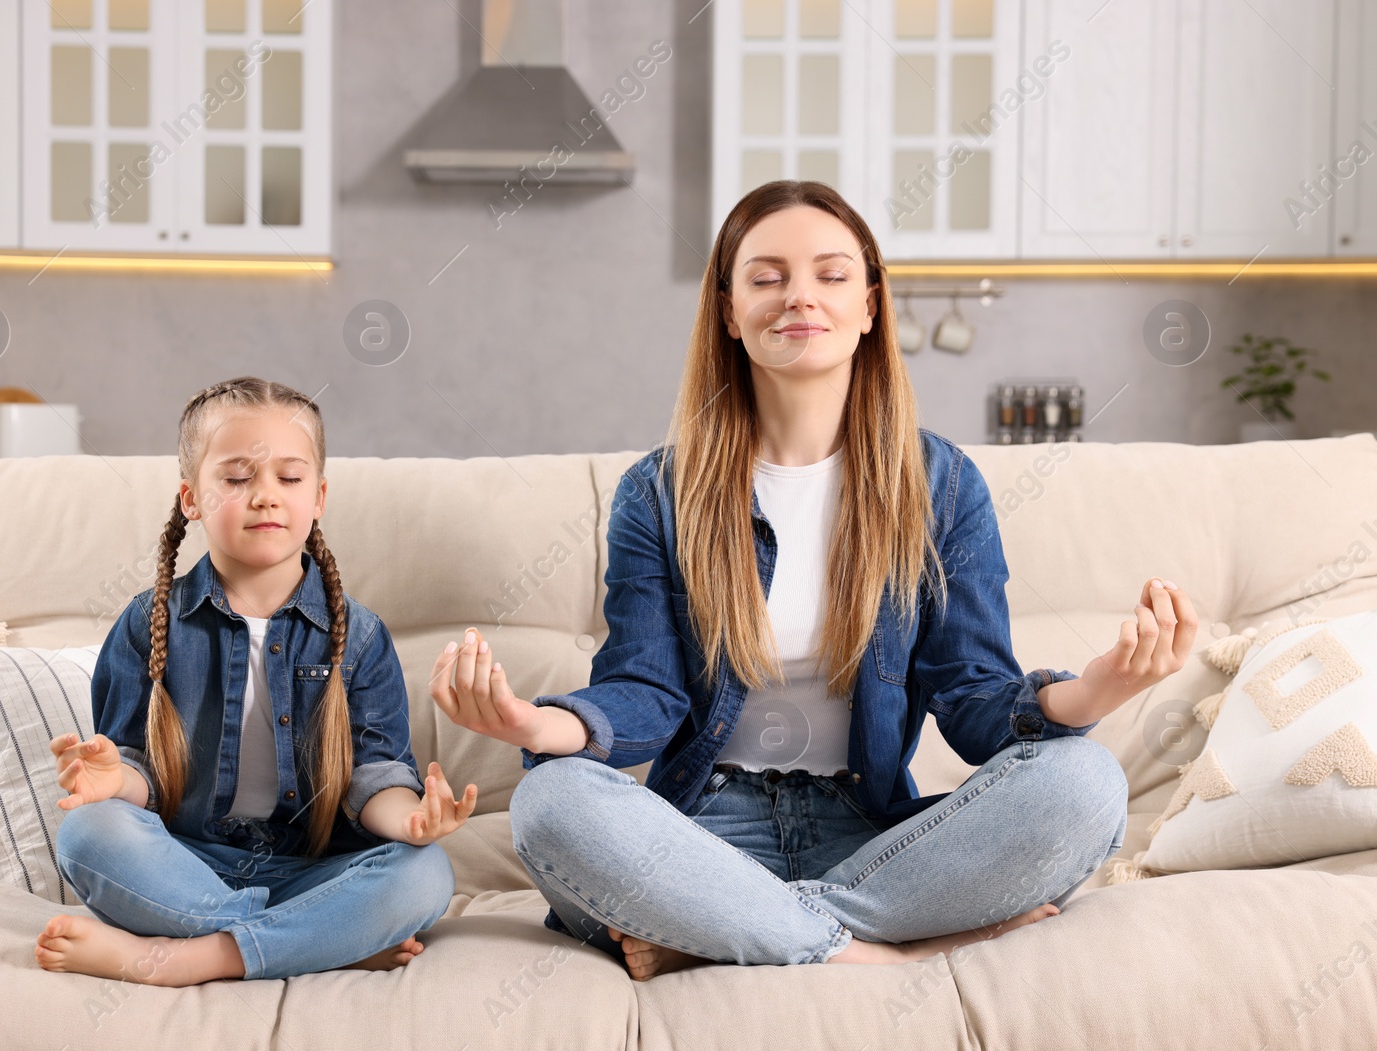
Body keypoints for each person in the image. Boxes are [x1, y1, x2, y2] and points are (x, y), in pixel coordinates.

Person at [429, 180, 1198, 981]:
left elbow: (975, 705)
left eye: (830, 275)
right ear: (729, 311)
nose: (799, 295)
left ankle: (727, 932)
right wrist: (532, 724)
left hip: (870, 838)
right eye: (767, 277)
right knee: (552, 802)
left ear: (870, 304)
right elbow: (643, 694)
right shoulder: (659, 492)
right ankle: (874, 944)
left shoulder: (941, 484)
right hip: (696, 838)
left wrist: (1099, 688)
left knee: (1085, 782)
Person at [36, 376, 474, 985]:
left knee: (425, 875)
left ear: (319, 496)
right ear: (192, 498)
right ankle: (324, 939)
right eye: (237, 479)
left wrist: (410, 821)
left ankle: (190, 958)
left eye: (289, 479)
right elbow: (140, 770)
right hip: (187, 866)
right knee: (89, 833)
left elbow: (377, 774)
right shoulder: (148, 623)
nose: (266, 497)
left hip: (314, 872)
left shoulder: (362, 636)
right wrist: (117, 779)